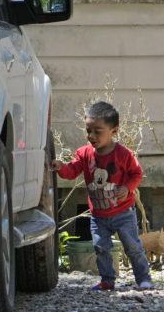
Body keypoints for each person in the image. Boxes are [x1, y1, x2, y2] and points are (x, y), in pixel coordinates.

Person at [53, 101, 153, 291]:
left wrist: (127, 188)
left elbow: (136, 174)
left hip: (123, 213)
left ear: (114, 131)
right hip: (98, 216)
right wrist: (61, 167)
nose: (91, 136)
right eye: (88, 130)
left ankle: (143, 279)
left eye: (97, 131)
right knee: (101, 247)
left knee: (133, 247)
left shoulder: (123, 155)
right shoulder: (84, 154)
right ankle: (107, 280)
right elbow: (72, 171)